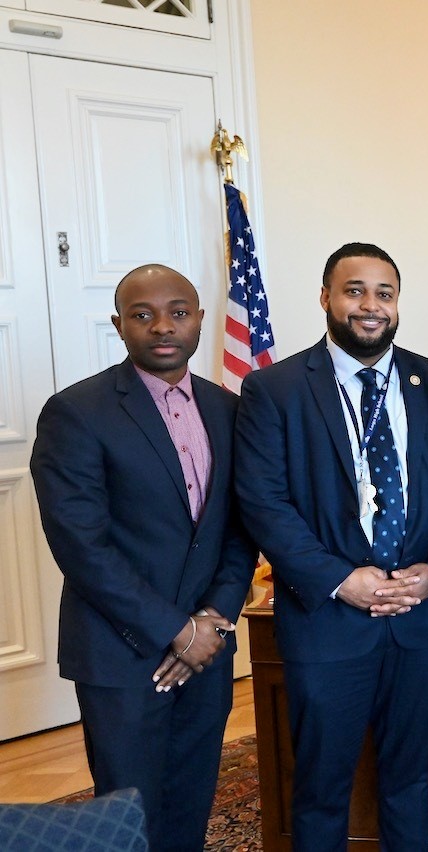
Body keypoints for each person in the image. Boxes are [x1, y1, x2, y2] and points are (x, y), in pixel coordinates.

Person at [234, 243, 428, 851]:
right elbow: (264, 502)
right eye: (354, 291)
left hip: (420, 620)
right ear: (325, 298)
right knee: (321, 789)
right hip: (326, 623)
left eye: (384, 294)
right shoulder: (274, 388)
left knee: (411, 781)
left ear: (398, 303)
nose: (370, 306)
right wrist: (340, 580)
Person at [30, 264, 257, 852]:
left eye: (178, 313)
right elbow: (81, 545)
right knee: (127, 821)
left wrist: (211, 623)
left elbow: (240, 530)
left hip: (208, 651)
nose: (162, 326)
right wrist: (175, 631)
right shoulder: (76, 411)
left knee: (189, 806)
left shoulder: (230, 409)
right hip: (121, 654)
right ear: (119, 325)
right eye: (142, 315)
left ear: (199, 319)